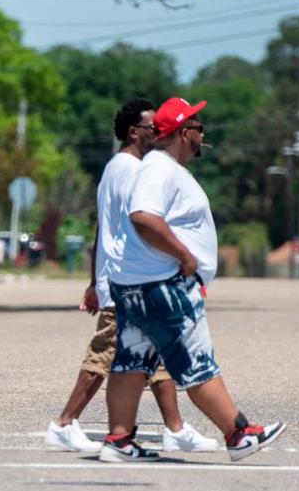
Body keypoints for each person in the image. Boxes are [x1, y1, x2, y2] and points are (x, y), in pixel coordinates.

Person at [100, 96, 286, 463]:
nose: (203, 133)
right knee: (196, 364)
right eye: (199, 127)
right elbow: (143, 217)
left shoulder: (159, 167)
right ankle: (238, 434)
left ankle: (119, 441)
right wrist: (184, 256)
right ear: (185, 132)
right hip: (161, 285)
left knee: (131, 360)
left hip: (138, 283)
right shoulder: (159, 170)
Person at [45, 99, 217, 454]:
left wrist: (94, 280)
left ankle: (175, 428)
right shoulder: (130, 170)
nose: (157, 132)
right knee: (107, 356)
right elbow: (139, 224)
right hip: (130, 282)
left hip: (123, 279)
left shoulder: (121, 167)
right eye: (151, 127)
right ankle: (64, 423)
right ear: (133, 132)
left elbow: (102, 230)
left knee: (152, 358)